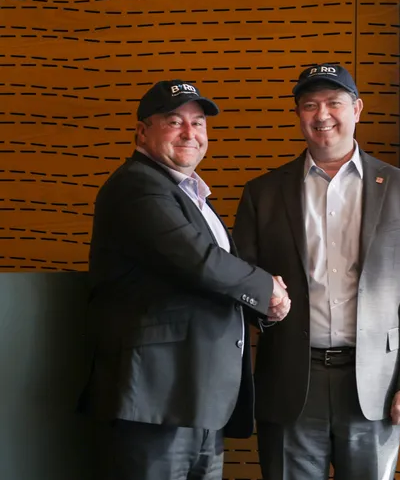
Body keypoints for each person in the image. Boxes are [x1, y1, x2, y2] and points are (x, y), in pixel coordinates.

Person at [233, 63, 400, 480]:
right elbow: (240, 280)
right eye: (309, 105)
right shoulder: (263, 192)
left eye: (334, 102)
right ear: (299, 115)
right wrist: (263, 307)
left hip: (374, 385)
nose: (322, 114)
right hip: (291, 380)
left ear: (357, 109)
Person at [78, 79, 292, 480]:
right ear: (143, 132)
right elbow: (200, 262)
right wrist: (267, 291)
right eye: (174, 122)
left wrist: (264, 305)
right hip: (155, 402)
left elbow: (213, 275)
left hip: (199, 401)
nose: (190, 133)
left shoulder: (190, 194)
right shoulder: (137, 186)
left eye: (198, 124)